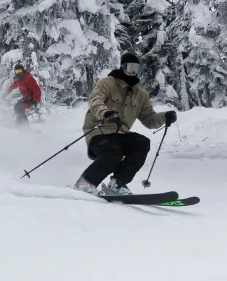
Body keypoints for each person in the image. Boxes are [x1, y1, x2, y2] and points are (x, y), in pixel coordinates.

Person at [74, 52, 177, 195]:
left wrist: (164, 117)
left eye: (135, 69)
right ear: (122, 67)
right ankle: (86, 183)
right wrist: (105, 113)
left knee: (142, 143)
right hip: (99, 133)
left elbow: (149, 119)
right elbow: (95, 100)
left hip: (120, 134)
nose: (132, 72)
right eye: (129, 68)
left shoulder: (140, 94)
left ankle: (117, 183)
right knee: (113, 152)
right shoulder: (108, 83)